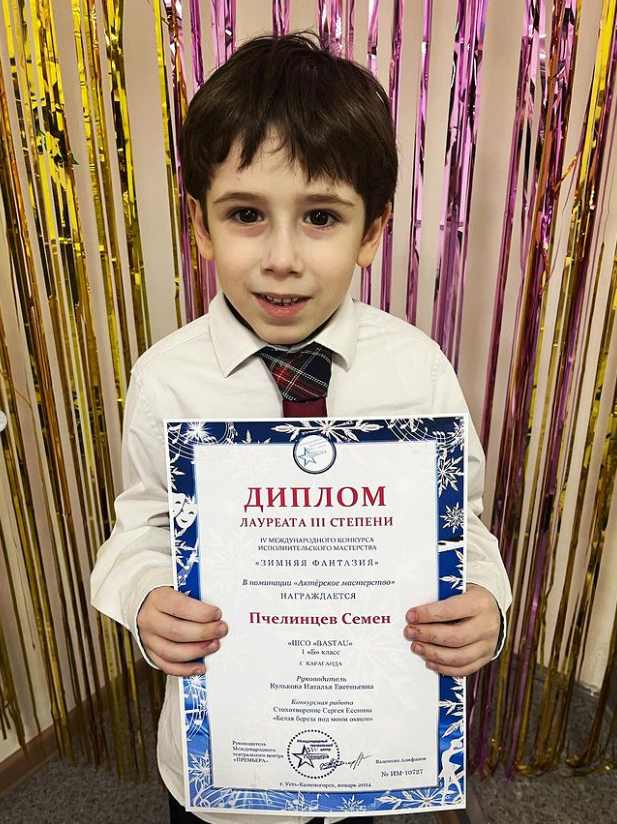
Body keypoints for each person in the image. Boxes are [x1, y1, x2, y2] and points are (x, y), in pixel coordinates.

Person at [91, 31, 512, 824]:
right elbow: (141, 523)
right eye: (246, 214)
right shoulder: (166, 378)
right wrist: (144, 596)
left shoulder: (417, 371)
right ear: (200, 225)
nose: (280, 257)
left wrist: (484, 597)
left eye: (320, 216)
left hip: (377, 752)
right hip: (225, 763)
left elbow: (462, 523)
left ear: (372, 232)